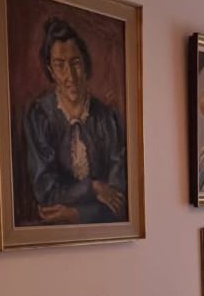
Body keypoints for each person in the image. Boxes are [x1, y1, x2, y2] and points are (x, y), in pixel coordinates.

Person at [22, 17, 127, 224]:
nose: (70, 75)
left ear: (85, 65)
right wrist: (93, 188)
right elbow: (47, 193)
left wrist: (76, 214)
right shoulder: (39, 116)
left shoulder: (109, 119)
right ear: (51, 71)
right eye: (60, 65)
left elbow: (119, 203)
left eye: (75, 63)